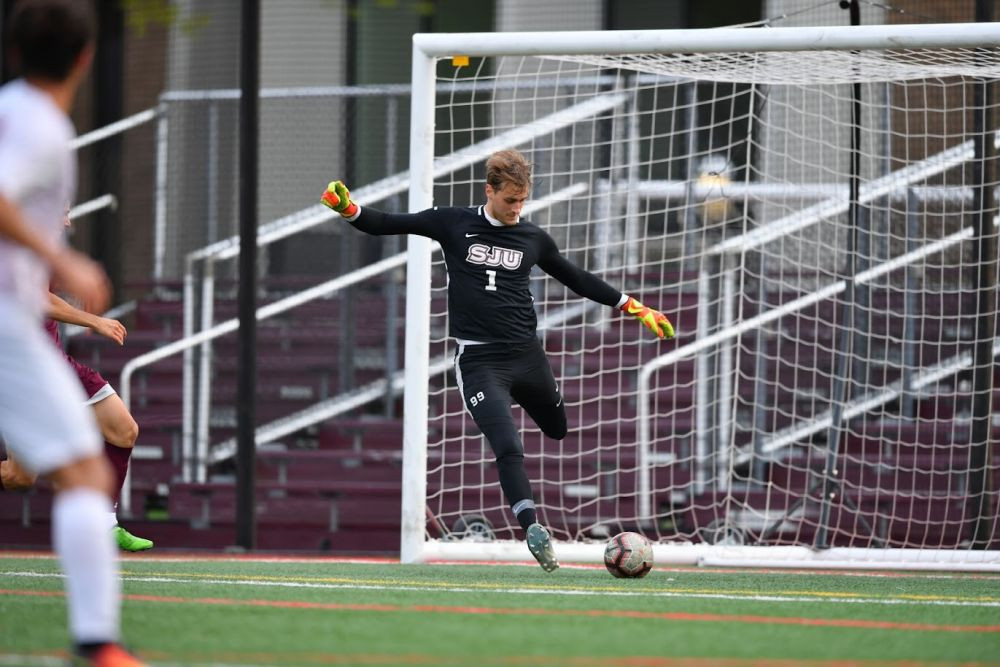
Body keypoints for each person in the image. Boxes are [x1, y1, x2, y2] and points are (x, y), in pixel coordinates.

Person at [320, 149, 675, 572]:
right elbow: (386, 224)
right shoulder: (452, 222)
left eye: (522, 201)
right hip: (480, 363)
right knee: (507, 445)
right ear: (489, 190)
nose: (516, 209)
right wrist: (349, 209)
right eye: (510, 200)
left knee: (558, 430)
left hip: (527, 356)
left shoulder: (533, 238)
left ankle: (537, 430)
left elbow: (577, 278)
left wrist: (634, 307)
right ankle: (532, 528)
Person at [0, 1, 146, 664]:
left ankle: (97, 642)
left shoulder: (10, 110)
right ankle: (98, 643)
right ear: (85, 60)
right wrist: (62, 258)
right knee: (84, 472)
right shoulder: (42, 127)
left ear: (14, 54)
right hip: (7, 324)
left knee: (48, 471)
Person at [0, 290, 154, 552]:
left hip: (57, 366)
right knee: (20, 477)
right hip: (22, 374)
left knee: (123, 429)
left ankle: (106, 525)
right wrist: (94, 320)